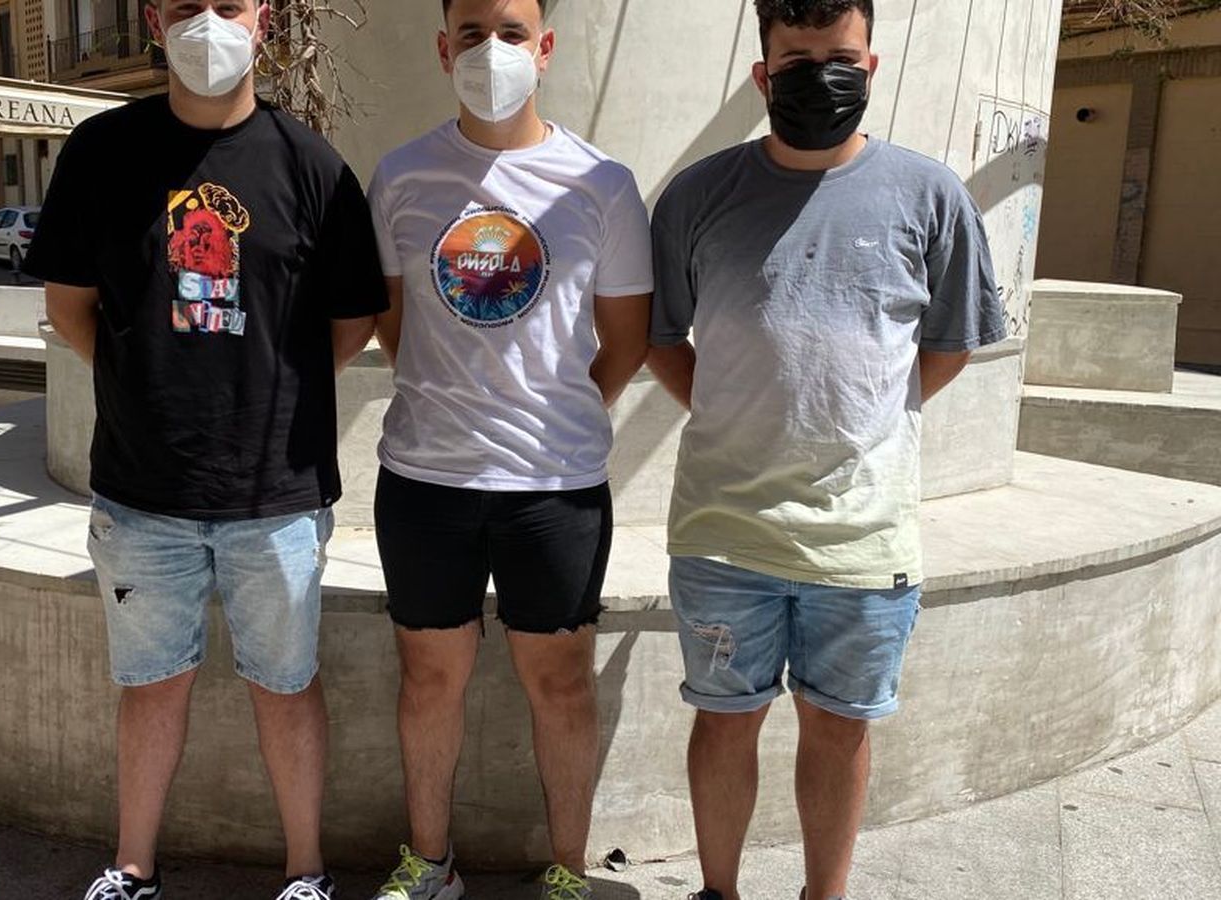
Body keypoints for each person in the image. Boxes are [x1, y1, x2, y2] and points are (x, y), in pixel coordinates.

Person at [21, 1, 388, 897]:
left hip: (277, 495)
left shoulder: (313, 168)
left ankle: (307, 872)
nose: (208, 24)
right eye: (188, 7)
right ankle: (131, 868)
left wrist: (266, 387)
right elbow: (70, 307)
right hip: (143, 493)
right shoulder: (101, 155)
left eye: (229, 5)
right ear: (155, 19)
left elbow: (351, 324)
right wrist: (153, 383)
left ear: (262, 20)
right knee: (150, 685)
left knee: (287, 685)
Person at [646, 2, 1005, 898]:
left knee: (839, 727)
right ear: (763, 74)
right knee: (725, 723)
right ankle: (718, 892)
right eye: (796, 58)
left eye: (838, 56)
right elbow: (659, 337)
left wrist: (862, 419)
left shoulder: (931, 195)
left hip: (864, 539)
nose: (819, 75)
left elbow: (952, 344)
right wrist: (731, 407)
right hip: (725, 532)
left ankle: (824, 894)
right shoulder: (696, 196)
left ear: (872, 63)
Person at [364, 1, 654, 898]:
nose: (494, 52)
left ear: (547, 48)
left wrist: (555, 413)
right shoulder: (403, 175)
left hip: (556, 487)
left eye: (514, 32)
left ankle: (566, 874)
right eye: (475, 33)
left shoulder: (601, 184)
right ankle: (430, 866)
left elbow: (627, 338)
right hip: (425, 479)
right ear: (443, 46)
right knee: (428, 679)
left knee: (562, 684)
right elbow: (392, 327)